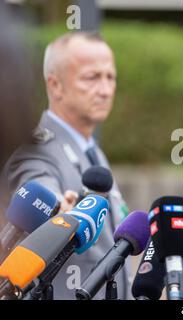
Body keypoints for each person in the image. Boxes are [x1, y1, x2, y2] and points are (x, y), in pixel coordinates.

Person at [1, 32, 131, 300]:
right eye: (91, 77)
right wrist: (58, 208)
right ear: (56, 85)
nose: (105, 90)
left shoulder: (93, 152)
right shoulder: (34, 149)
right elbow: (35, 186)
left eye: (110, 77)